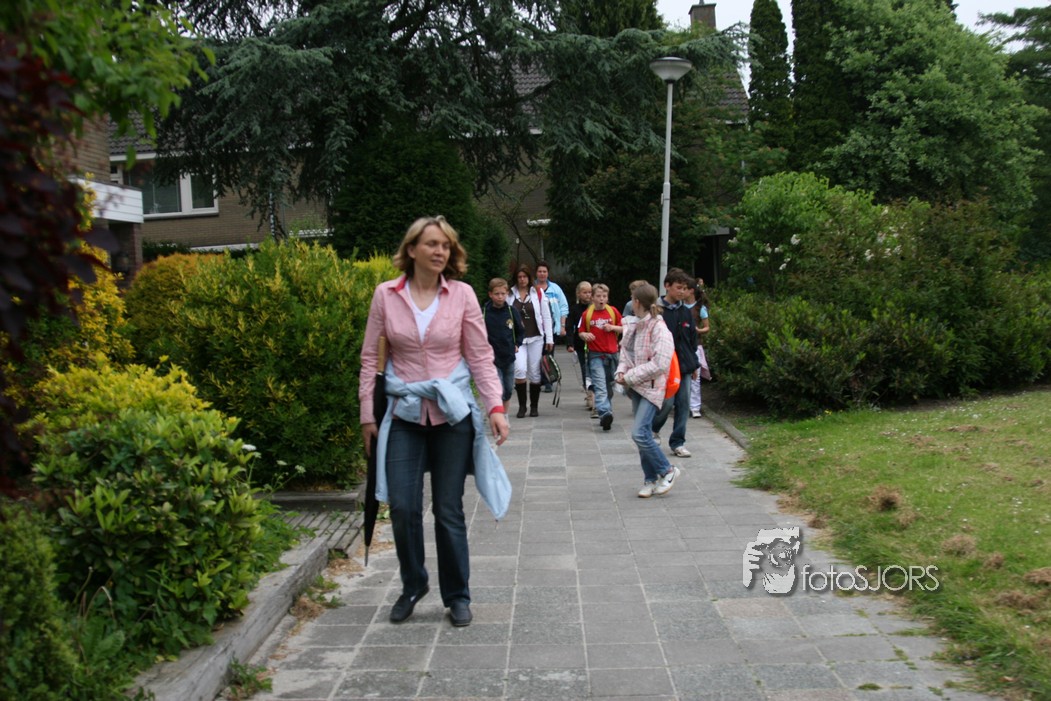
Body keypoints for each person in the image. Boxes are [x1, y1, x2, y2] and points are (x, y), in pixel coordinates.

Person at [359, 216, 511, 628]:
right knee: (403, 506)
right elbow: (371, 358)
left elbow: (479, 355)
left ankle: (457, 595)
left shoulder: (462, 295)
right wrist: (368, 414)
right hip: (404, 412)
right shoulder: (385, 295)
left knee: (448, 509)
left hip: (451, 414)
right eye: (431, 244)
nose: (440, 251)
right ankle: (414, 584)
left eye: (445, 245)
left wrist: (495, 407)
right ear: (412, 249)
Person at [614, 283, 681, 498]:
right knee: (643, 435)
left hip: (653, 389)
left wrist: (630, 376)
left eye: (632, 299)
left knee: (639, 433)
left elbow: (660, 364)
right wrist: (621, 372)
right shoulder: (634, 325)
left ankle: (668, 470)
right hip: (636, 387)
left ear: (636, 302)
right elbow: (626, 354)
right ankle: (650, 480)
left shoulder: (660, 328)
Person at [651, 269, 700, 457]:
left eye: (685, 288)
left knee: (683, 404)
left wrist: (694, 364)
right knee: (667, 402)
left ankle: (678, 442)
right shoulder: (657, 311)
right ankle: (653, 429)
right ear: (667, 286)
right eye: (679, 287)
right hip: (664, 366)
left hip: (684, 366)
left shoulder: (686, 312)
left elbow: (692, 340)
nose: (682, 292)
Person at [577, 283, 622, 430]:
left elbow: (624, 328)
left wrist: (612, 327)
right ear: (592, 298)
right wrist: (585, 335)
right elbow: (580, 331)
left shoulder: (613, 311)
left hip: (612, 355)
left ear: (607, 298)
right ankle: (604, 412)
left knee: (609, 386)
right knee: (600, 385)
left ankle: (606, 410)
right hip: (595, 355)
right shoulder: (587, 314)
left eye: (604, 296)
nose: (601, 299)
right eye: (598, 296)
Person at [511, 264, 554, 417]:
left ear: (529, 278)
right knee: (520, 369)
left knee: (535, 373)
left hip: (536, 337)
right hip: (518, 340)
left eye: (525, 277)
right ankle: (522, 406)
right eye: (519, 277)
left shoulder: (538, 293)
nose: (522, 280)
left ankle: (534, 406)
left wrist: (549, 338)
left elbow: (546, 316)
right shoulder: (510, 294)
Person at [484, 277, 526, 413]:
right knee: (497, 389)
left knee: (508, 389)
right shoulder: (484, 313)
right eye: (497, 294)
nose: (500, 297)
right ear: (490, 294)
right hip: (492, 357)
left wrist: (517, 344)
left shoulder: (511, 311)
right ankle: (497, 414)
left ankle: (505, 414)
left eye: (503, 293)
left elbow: (520, 330)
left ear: (507, 293)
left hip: (508, 356)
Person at [535, 261, 569, 392]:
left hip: (551, 329)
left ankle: (548, 380)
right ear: (536, 273)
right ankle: (538, 379)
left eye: (544, 271)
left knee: (548, 354)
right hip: (536, 329)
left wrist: (562, 326)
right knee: (536, 355)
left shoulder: (555, 289)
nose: (542, 274)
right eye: (540, 271)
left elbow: (563, 307)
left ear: (548, 273)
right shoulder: (532, 288)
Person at [567, 280, 593, 409]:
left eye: (590, 292)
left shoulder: (594, 308)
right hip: (580, 343)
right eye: (585, 292)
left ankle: (594, 393)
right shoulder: (574, 309)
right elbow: (570, 327)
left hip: (595, 343)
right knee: (584, 367)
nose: (588, 295)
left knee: (594, 367)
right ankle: (589, 392)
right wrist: (570, 343)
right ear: (578, 294)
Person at [686, 279, 711, 418]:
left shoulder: (700, 308)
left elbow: (707, 327)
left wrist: (698, 330)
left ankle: (695, 407)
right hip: (682, 346)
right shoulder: (679, 307)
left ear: (691, 291)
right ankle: (683, 404)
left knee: (695, 378)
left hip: (696, 345)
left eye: (685, 289)